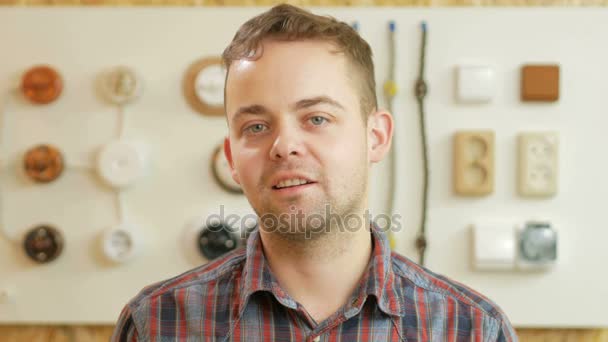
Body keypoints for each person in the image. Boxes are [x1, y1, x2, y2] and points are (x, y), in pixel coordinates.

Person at [111, 4, 518, 341]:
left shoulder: (473, 329)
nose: (283, 145)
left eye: (317, 118)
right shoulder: (157, 325)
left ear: (376, 136)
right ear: (232, 158)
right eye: (256, 126)